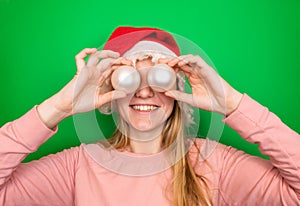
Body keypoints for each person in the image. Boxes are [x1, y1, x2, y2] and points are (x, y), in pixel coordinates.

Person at [0, 26, 299, 206]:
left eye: (159, 79)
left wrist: (232, 103)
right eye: (129, 79)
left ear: (178, 91)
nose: (144, 92)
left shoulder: (213, 163)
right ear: (109, 94)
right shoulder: (78, 167)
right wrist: (59, 107)